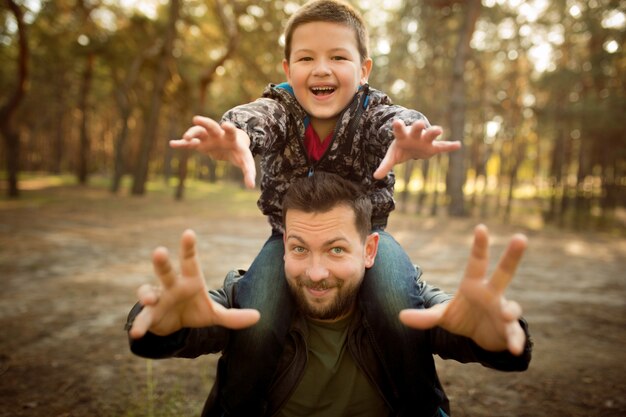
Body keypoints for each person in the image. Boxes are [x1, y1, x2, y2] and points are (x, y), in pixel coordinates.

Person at [170, 0, 461, 413]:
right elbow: (257, 117)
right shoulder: (281, 111)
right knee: (260, 314)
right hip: (290, 239)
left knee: (397, 306)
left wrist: (409, 133)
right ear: (288, 70)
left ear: (363, 70)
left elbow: (393, 121)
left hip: (366, 238)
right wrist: (235, 133)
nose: (321, 69)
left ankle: (424, 409)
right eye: (307, 58)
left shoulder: (371, 112)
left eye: (338, 57)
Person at [126, 172, 533, 417]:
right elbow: (191, 320)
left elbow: (459, 323)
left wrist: (493, 338)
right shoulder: (247, 297)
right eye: (300, 248)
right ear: (283, 245)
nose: (316, 273)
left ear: (370, 250)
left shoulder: (406, 303)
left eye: (337, 249)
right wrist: (163, 327)